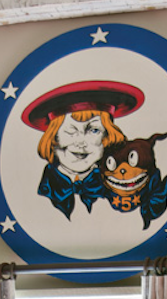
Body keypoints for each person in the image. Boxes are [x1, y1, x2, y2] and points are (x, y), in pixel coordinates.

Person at [23, 82, 143, 220]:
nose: (81, 142)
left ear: (106, 137)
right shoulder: (40, 189)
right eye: (70, 131)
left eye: (94, 130)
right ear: (53, 137)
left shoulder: (116, 184)